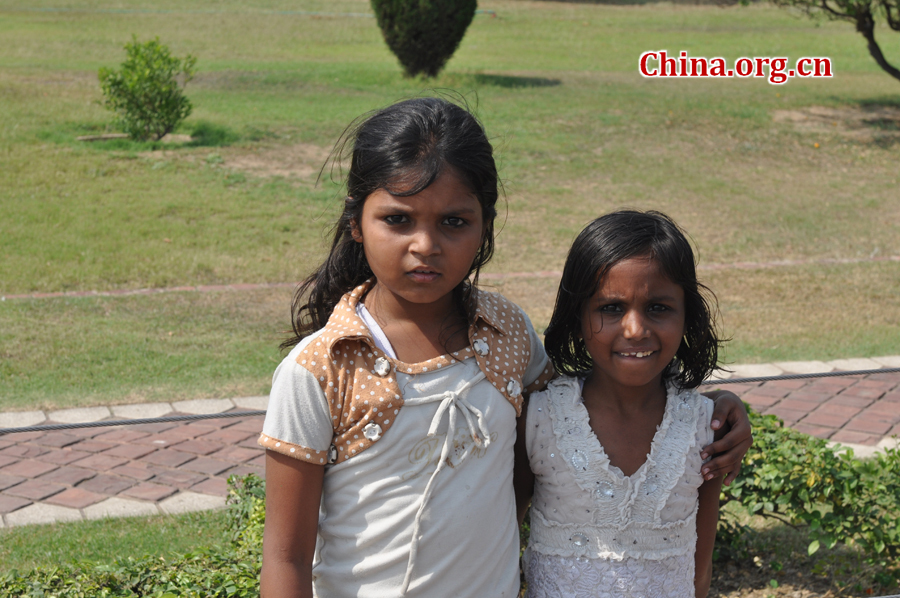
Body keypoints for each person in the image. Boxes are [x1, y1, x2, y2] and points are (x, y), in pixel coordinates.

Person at [258, 98, 750, 598]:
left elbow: (594, 400)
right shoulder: (319, 369)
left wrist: (715, 410)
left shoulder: (506, 333)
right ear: (355, 223)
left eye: (453, 222)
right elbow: (285, 558)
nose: (425, 245)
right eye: (399, 219)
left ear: (484, 225)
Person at [518, 210, 731, 598]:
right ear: (578, 316)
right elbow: (503, 540)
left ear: (687, 316)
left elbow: (700, 573)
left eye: (659, 308)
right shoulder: (539, 420)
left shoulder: (706, 427)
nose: (635, 330)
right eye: (611, 308)